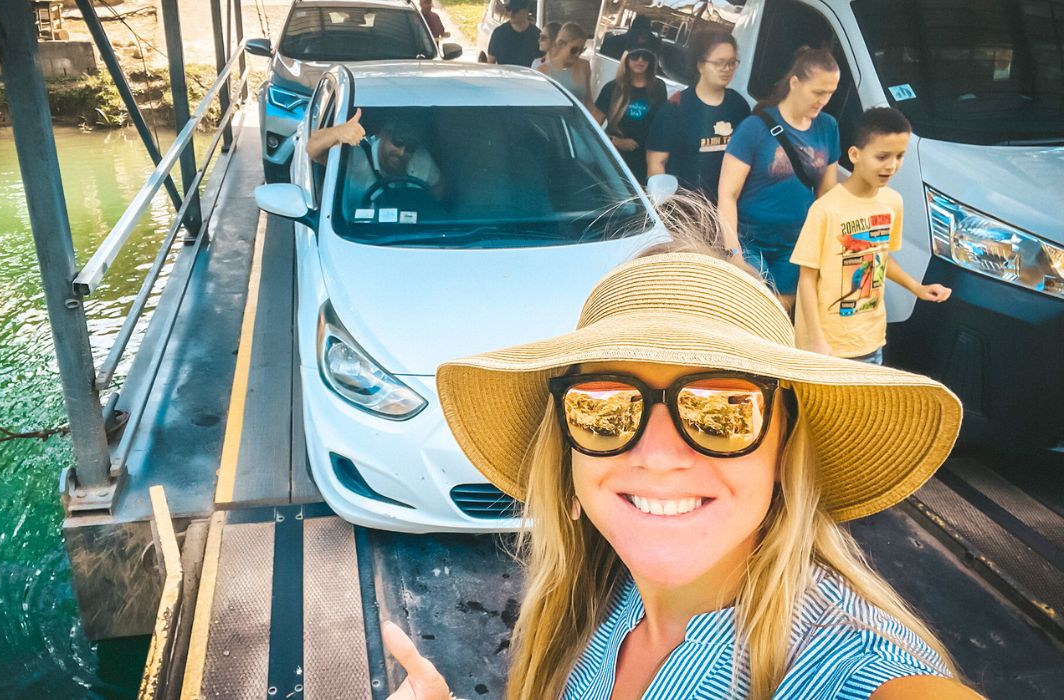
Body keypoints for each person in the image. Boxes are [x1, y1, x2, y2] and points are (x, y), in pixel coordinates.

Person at [381, 242, 982, 700]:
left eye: (723, 409)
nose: (660, 456)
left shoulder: (858, 671)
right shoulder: (594, 608)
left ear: (785, 453)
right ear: (569, 468)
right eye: (604, 408)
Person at [791, 107, 951, 365]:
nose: (892, 165)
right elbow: (806, 279)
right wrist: (816, 340)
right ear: (854, 154)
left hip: (871, 340)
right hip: (826, 348)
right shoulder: (825, 209)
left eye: (900, 156)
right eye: (882, 156)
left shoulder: (892, 202)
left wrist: (917, 288)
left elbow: (880, 257)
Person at [718, 47, 842, 311]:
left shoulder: (828, 127)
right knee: (750, 313)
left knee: (780, 315)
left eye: (830, 93)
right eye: (818, 92)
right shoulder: (754, 128)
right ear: (795, 83)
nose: (824, 100)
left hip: (795, 246)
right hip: (750, 241)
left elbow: (827, 195)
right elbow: (727, 195)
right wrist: (734, 254)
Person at [646, 31, 750, 200]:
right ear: (700, 64)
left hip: (726, 209)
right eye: (719, 63)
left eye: (732, 63)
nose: (727, 69)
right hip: (685, 210)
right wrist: (666, 208)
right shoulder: (676, 106)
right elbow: (656, 163)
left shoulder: (738, 105)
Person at [307, 109, 444, 206]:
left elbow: (440, 185)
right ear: (382, 134)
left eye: (410, 147)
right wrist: (337, 132)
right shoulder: (356, 156)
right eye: (398, 142)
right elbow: (313, 150)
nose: (402, 152)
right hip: (355, 232)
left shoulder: (420, 157)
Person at [594, 48, 668, 184]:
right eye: (635, 55)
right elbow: (591, 127)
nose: (640, 60)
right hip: (616, 161)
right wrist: (615, 141)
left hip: (646, 161)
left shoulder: (659, 87)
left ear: (652, 61)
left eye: (646, 56)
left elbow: (662, 125)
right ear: (626, 58)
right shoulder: (611, 88)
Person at [536, 22, 595, 113]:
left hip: (577, 122)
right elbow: (539, 108)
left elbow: (589, 103)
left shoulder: (584, 66)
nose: (577, 54)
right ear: (561, 44)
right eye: (574, 50)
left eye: (582, 50)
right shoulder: (543, 71)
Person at [486, 0, 541, 67]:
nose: (511, 14)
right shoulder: (499, 33)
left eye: (515, 10)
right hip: (504, 76)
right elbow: (490, 63)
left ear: (526, 10)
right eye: (508, 9)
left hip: (528, 76)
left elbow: (542, 64)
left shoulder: (537, 35)